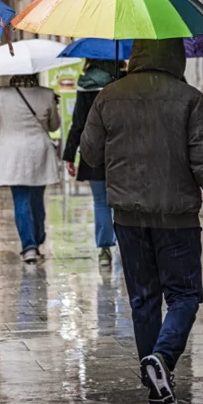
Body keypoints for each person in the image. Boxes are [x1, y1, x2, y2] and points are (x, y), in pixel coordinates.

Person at [80, 39, 203, 404]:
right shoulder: (189, 98)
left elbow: (90, 155)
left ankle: (154, 386)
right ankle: (163, 359)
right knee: (184, 295)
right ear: (176, 56)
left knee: (143, 300)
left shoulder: (109, 96)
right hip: (177, 216)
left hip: (129, 217)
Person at [0, 74, 61, 263]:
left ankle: (29, 247)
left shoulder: (1, 94)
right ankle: (37, 238)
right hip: (39, 152)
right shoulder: (46, 94)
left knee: (21, 199)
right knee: (37, 199)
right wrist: (54, 106)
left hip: (12, 154)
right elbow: (54, 126)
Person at [62, 59, 119, 265]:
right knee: (123, 201)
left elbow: (78, 123)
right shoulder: (123, 81)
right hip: (121, 150)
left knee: (100, 202)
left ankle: (104, 249)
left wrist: (69, 154)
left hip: (93, 151)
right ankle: (126, 244)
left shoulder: (85, 84)